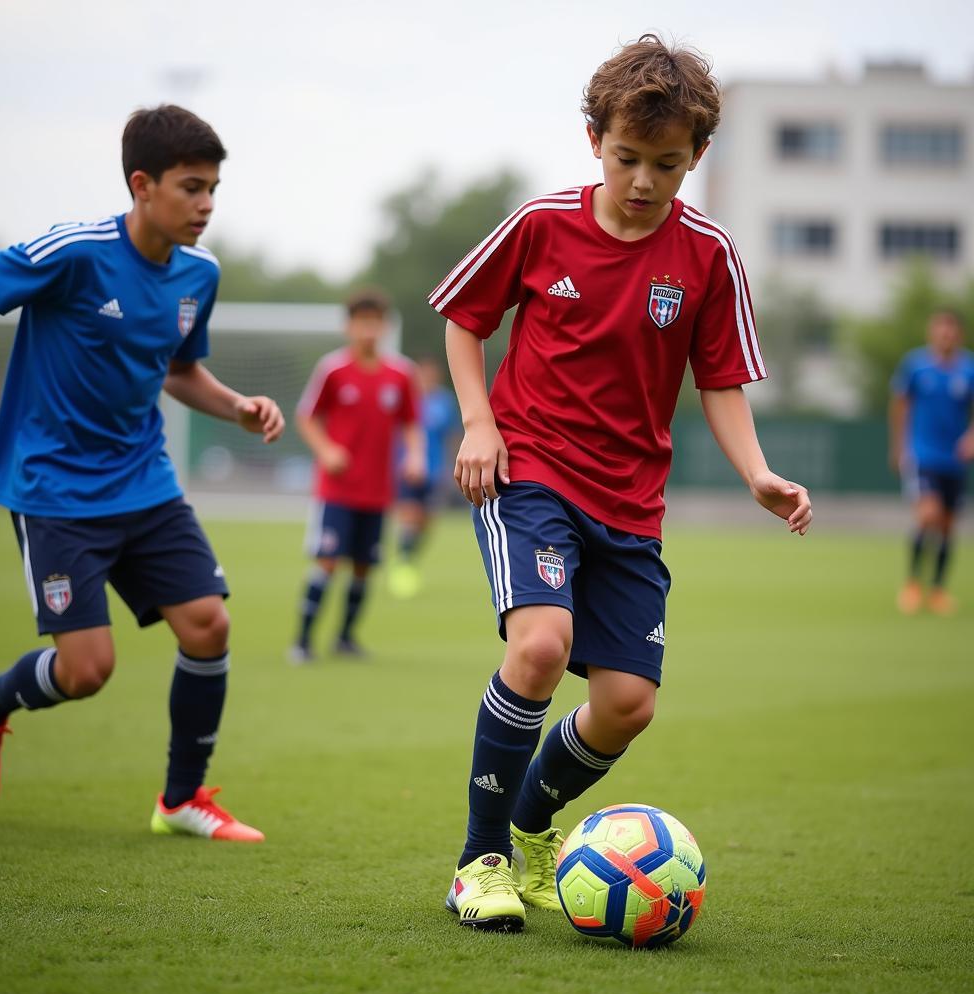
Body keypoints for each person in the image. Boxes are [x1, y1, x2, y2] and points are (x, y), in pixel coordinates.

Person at [429, 34, 813, 932]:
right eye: (627, 158)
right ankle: (479, 861)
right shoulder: (540, 223)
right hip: (529, 472)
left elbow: (720, 378)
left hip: (631, 504)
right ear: (594, 138)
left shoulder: (710, 255)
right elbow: (463, 320)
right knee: (539, 649)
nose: (645, 180)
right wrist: (480, 423)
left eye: (668, 164)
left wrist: (757, 473)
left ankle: (530, 826)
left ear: (699, 156)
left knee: (626, 705)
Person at [0, 104, 285, 841]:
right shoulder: (75, 252)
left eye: (213, 189)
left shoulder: (199, 275)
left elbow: (177, 369)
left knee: (207, 625)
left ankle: (181, 799)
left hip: (144, 482)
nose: (205, 206)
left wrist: (237, 406)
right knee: (86, 670)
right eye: (191, 187)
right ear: (142, 184)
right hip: (54, 488)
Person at [291, 289, 425, 661]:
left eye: (375, 322)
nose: (368, 329)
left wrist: (414, 455)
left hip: (377, 490)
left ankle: (345, 638)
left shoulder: (400, 374)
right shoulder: (332, 370)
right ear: (348, 326)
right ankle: (302, 641)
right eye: (361, 322)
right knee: (328, 562)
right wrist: (327, 450)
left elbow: (412, 423)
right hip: (336, 490)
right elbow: (306, 416)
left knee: (364, 567)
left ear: (384, 326)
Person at [890, 309, 974, 615]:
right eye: (941, 329)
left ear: (959, 334)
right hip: (923, 455)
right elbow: (900, 406)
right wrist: (899, 448)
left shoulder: (968, 369)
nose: (946, 335)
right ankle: (913, 583)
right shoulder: (915, 366)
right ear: (932, 332)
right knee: (928, 516)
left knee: (948, 527)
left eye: (951, 330)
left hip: (954, 460)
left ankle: (938, 589)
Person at [388, 356, 459, 598]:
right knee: (410, 515)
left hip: (435, 471)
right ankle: (404, 563)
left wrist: (453, 465)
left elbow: (451, 436)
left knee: (427, 522)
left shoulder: (445, 402)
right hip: (407, 469)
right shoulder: (407, 400)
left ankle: (410, 557)